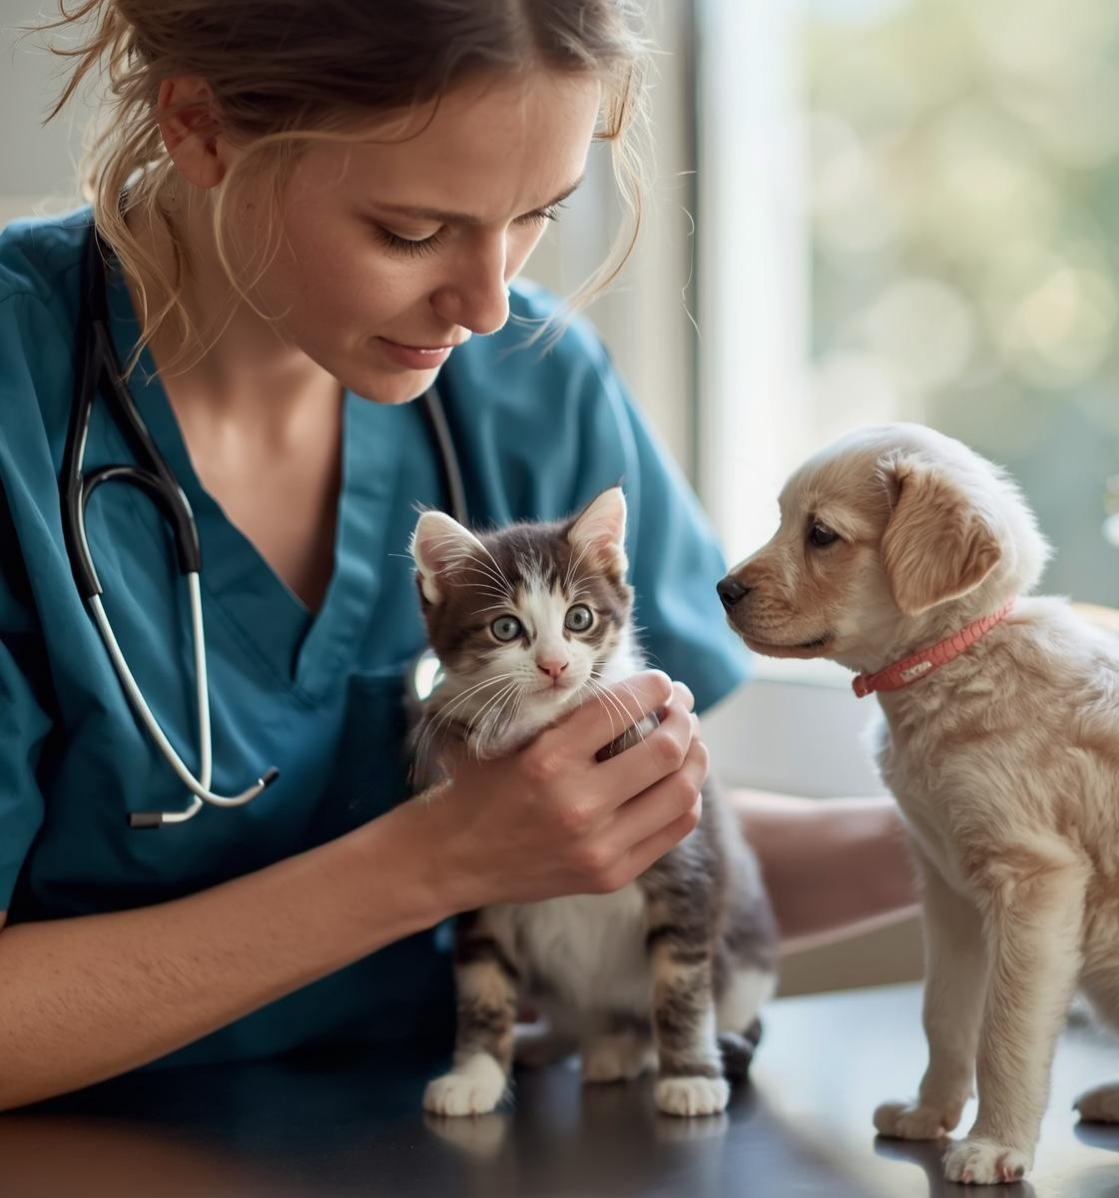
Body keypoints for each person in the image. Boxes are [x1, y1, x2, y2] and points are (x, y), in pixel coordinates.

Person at [0, 0, 914, 1111]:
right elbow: (489, 841)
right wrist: (435, 862)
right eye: (411, 230)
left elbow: (595, 835)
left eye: (537, 214)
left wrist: (973, 824)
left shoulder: (536, 387)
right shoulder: (19, 392)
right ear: (198, 124)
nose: (486, 304)